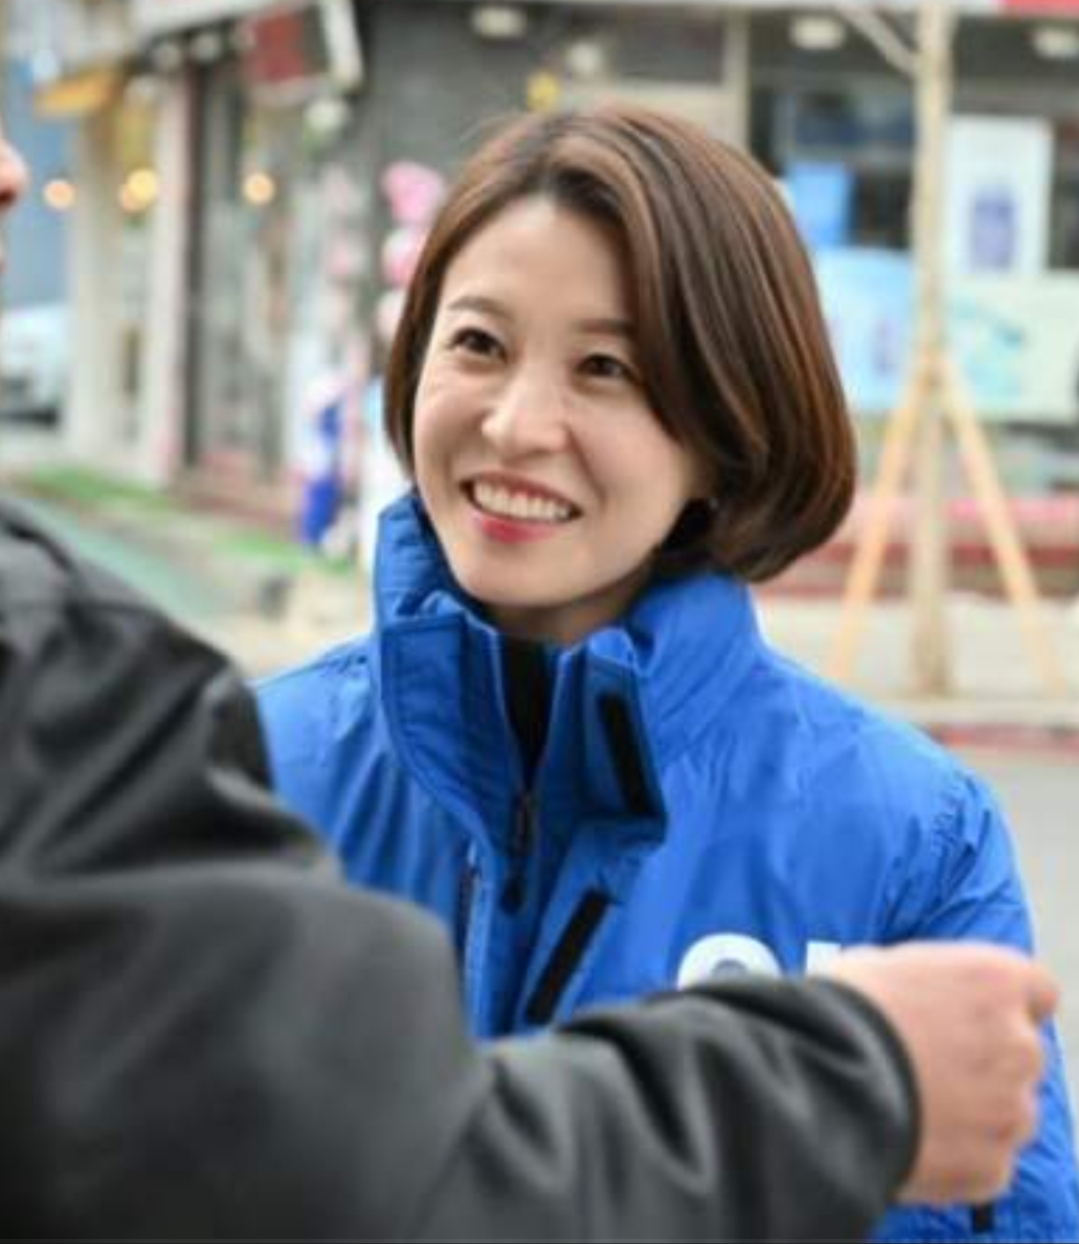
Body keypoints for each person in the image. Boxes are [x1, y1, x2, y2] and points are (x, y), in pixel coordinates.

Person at [0, 106, 1059, 1242]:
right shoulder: (231, 770)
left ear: (728, 430)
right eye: (478, 344)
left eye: (605, 367)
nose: (515, 425)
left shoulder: (910, 836)